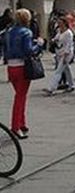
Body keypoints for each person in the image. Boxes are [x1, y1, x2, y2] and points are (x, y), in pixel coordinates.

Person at [5, 9, 43, 139]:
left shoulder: (9, 32)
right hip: (22, 67)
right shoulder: (26, 32)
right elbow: (28, 51)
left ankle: (22, 123)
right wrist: (38, 45)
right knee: (20, 97)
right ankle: (15, 126)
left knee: (20, 95)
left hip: (11, 67)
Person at [44, 17, 75, 95]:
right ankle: (71, 85)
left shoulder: (68, 33)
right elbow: (56, 38)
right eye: (58, 22)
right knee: (67, 70)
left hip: (66, 54)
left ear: (65, 23)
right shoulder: (59, 31)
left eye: (60, 22)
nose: (59, 24)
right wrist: (53, 41)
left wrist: (65, 55)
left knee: (58, 71)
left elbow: (69, 45)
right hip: (59, 52)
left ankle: (51, 88)